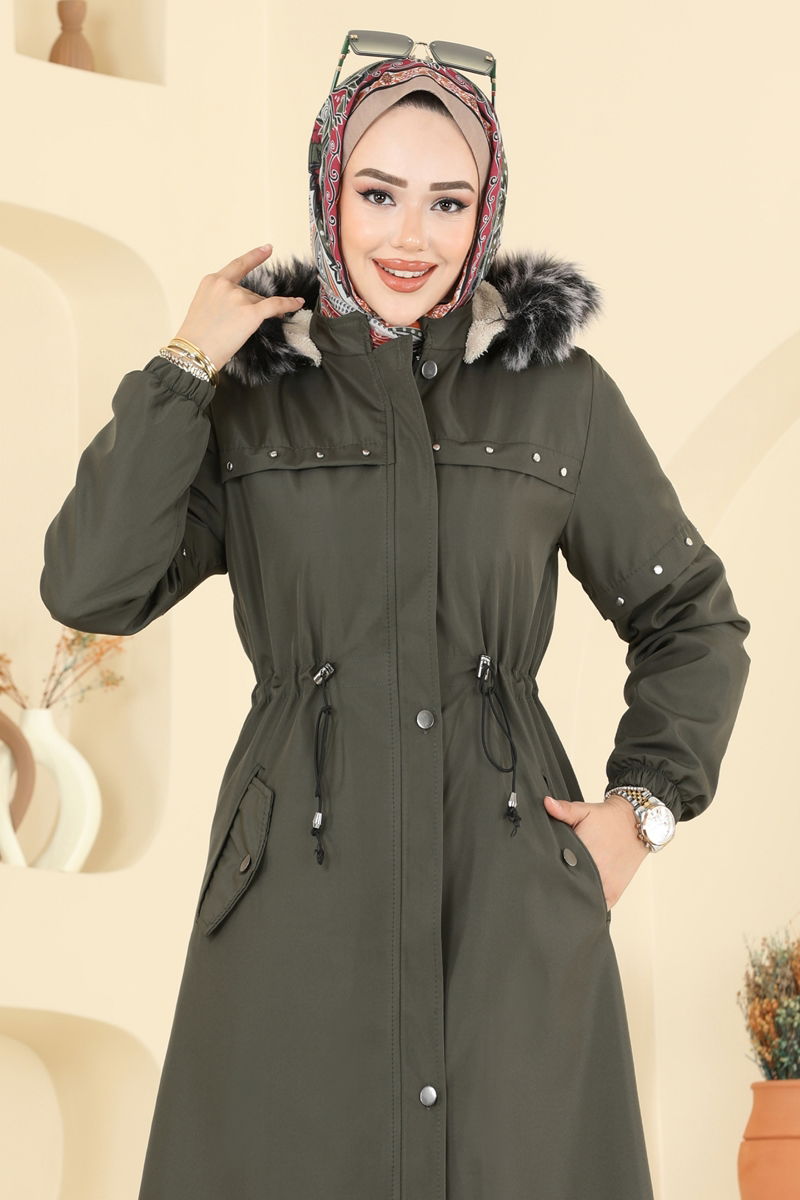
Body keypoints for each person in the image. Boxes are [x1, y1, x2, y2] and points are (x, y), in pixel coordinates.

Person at [39, 34, 751, 1200]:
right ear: (328, 191)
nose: (410, 236)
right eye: (378, 195)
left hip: (509, 888)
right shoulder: (250, 399)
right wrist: (183, 364)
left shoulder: (556, 395)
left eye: (446, 201)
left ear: (485, 211)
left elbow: (690, 618)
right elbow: (92, 588)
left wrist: (641, 813)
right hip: (292, 892)